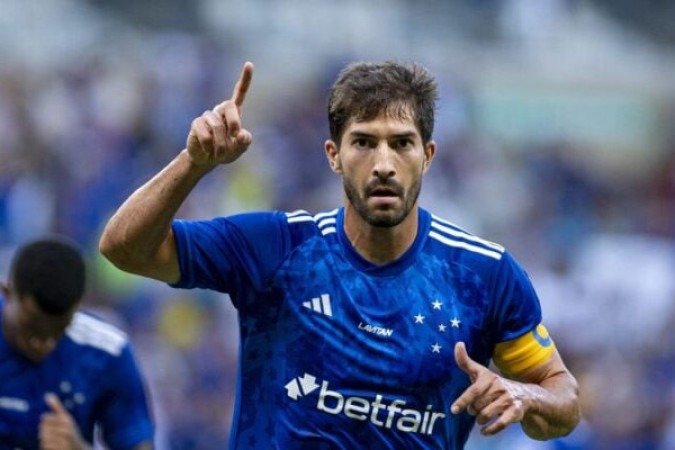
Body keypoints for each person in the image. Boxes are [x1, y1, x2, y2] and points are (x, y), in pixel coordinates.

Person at [99, 60, 580, 449]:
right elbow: (123, 248)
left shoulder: (483, 275)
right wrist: (193, 163)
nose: (384, 164)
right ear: (333, 154)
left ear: (428, 156)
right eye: (364, 142)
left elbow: (564, 401)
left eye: (402, 143)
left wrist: (523, 395)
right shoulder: (276, 247)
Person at [0, 237, 154, 450]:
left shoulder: (107, 352)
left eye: (59, 329)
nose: (44, 343)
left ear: (78, 307)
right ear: (7, 292)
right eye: (32, 326)